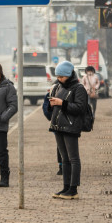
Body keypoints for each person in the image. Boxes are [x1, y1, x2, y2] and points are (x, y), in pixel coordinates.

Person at [47, 61, 89, 200]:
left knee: (73, 158)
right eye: (58, 76)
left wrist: (62, 103)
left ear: (69, 75)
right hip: (58, 126)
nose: (59, 79)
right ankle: (66, 186)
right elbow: (55, 107)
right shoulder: (59, 87)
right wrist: (52, 103)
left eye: (62, 76)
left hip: (71, 127)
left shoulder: (78, 88)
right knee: (64, 159)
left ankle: (73, 189)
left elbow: (80, 108)